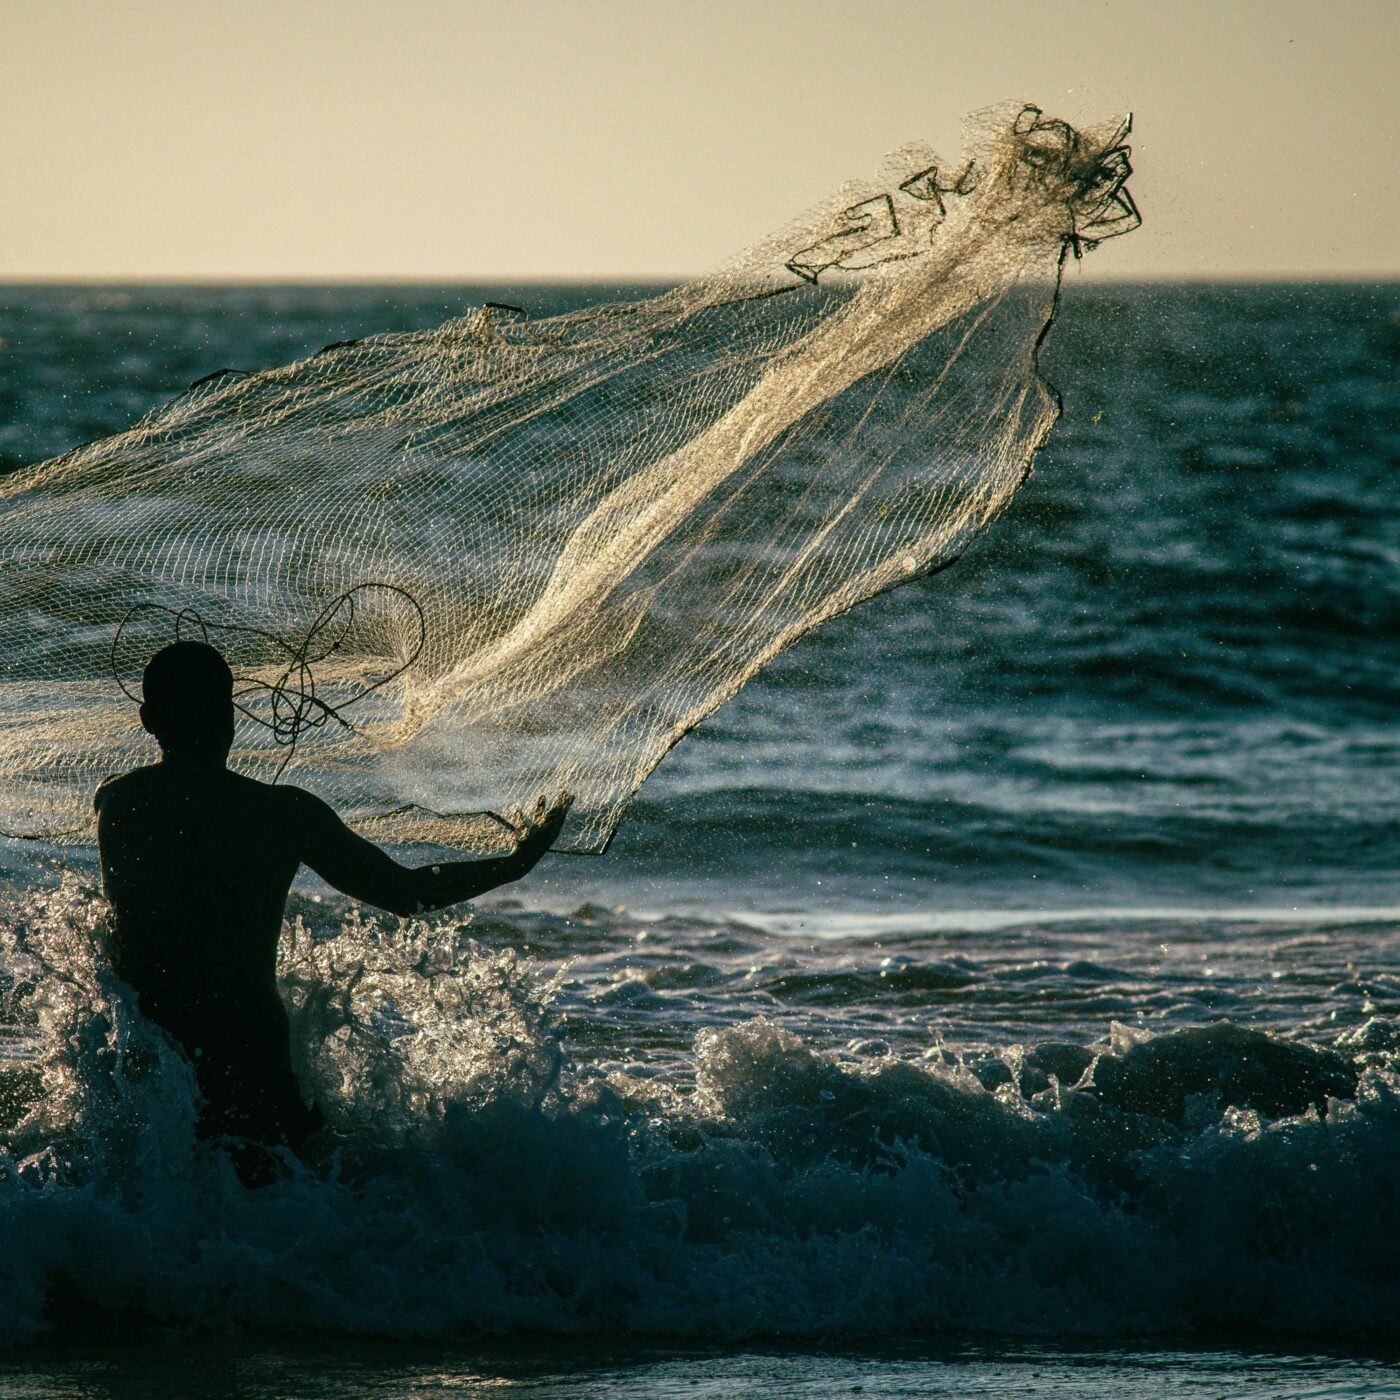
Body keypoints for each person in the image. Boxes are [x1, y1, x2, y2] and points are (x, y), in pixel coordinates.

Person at [95, 639, 570, 1181]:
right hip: (250, 1054)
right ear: (230, 718)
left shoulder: (116, 802)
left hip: (150, 1062)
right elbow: (403, 892)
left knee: (153, 1212)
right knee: (279, 1219)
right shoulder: (283, 815)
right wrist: (514, 863)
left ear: (148, 719)